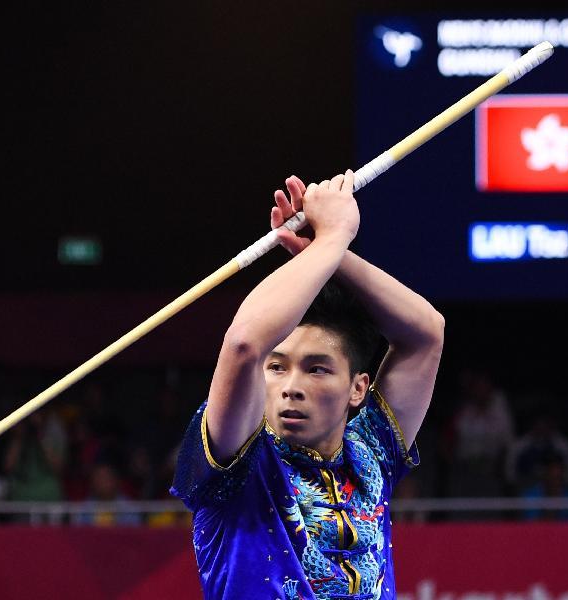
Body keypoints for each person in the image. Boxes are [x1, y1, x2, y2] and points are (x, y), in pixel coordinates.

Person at [170, 171, 444, 600]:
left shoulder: (372, 451)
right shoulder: (239, 461)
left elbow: (426, 334)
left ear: (357, 388)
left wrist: (330, 254)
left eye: (317, 369)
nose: (291, 387)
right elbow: (244, 344)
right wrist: (332, 237)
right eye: (277, 367)